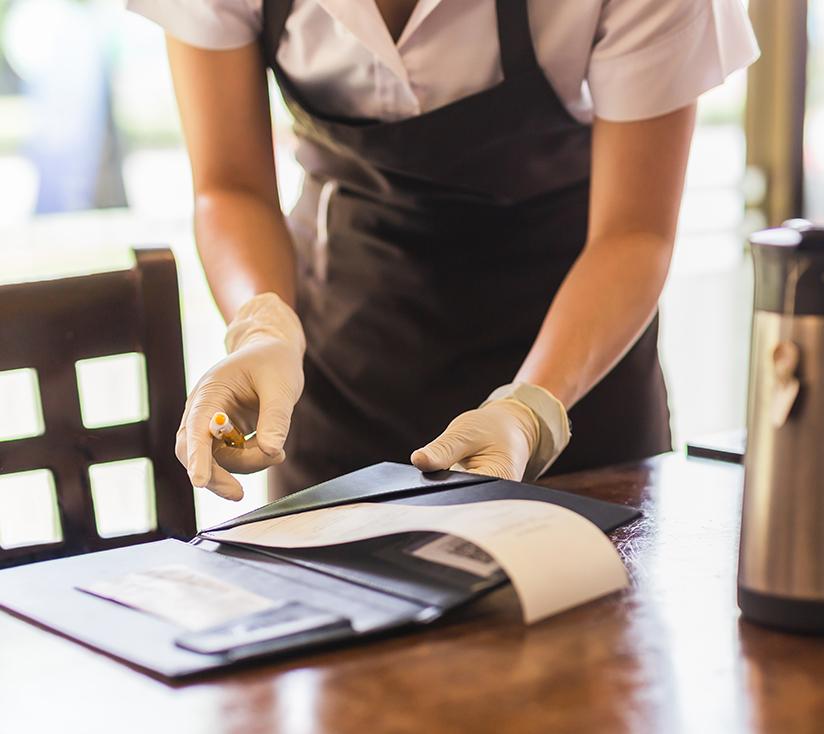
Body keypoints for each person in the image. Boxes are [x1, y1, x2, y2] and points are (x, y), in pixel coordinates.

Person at [130, 0, 759, 500]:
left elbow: (635, 232)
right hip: (339, 372)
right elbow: (230, 187)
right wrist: (263, 327)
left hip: (574, 382)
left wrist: (531, 410)